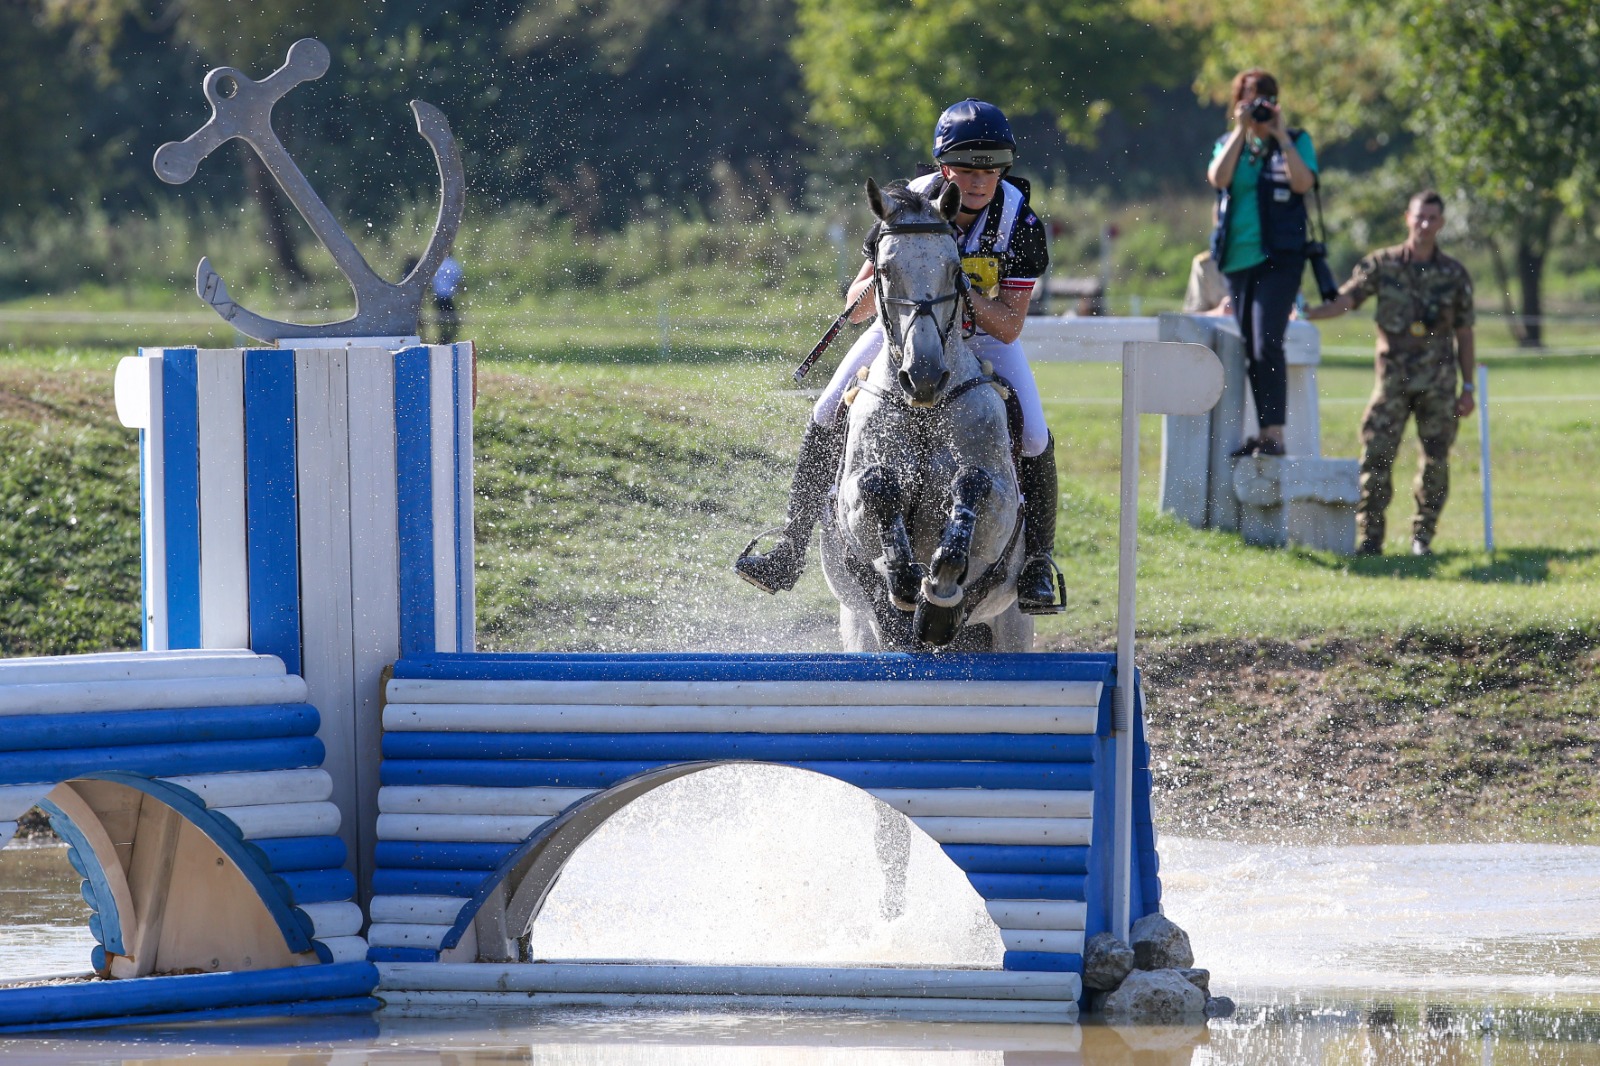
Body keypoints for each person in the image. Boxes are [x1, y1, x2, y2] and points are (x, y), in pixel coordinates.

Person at [735, 98, 1061, 612]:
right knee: (826, 409)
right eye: (968, 169)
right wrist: (887, 279)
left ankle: (1039, 561)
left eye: (992, 169)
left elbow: (1010, 322)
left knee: (1035, 432)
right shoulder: (904, 203)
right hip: (906, 330)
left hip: (983, 335)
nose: (979, 181)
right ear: (943, 167)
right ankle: (791, 548)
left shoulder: (1018, 222)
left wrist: (957, 290)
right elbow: (858, 308)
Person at [1305, 190, 1475, 556]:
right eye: (1419, 217)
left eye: (1432, 218)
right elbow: (1346, 300)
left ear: (1441, 223)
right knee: (1375, 458)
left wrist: (1468, 386)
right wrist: (1306, 314)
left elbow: (1464, 331)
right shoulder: (1382, 265)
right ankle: (1371, 540)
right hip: (1392, 383)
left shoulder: (1454, 275)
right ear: (1407, 218)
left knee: (1436, 462)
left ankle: (1422, 538)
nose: (1425, 224)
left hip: (1438, 384)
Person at [1206, 69, 1319, 457]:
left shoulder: (1296, 140)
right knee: (1253, 345)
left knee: (1268, 339)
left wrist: (1282, 136)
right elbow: (1218, 179)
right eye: (1252, 97)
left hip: (1281, 258)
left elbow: (1303, 184)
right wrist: (1241, 130)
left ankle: (1275, 435)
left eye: (1267, 97)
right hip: (1238, 260)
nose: (1259, 104)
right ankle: (1265, 434)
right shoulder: (1229, 142)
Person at [433, 254, 463, 344]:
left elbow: (432, 281)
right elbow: (459, 280)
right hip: (449, 296)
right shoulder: (453, 264)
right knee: (454, 320)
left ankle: (442, 336)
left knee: (441, 319)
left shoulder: (437, 264)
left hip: (438, 296)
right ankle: (448, 337)